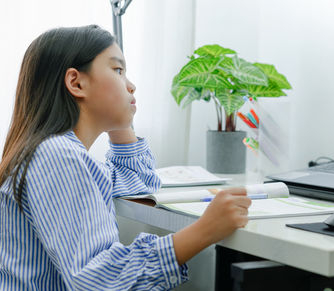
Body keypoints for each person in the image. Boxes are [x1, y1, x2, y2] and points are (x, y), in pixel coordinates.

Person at [0, 25, 251, 290]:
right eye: (118, 71)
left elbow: (139, 182)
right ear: (76, 82)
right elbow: (99, 280)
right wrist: (205, 231)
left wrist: (119, 120)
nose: (131, 86)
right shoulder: (57, 156)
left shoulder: (61, 152)